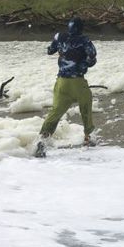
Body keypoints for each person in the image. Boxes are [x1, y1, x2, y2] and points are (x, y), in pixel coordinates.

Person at [37, 17, 97, 154]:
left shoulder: (59, 36)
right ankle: (88, 137)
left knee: (55, 112)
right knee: (86, 107)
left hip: (61, 82)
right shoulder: (84, 40)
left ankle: (42, 140)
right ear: (81, 28)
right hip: (77, 81)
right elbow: (92, 55)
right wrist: (86, 63)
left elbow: (50, 51)